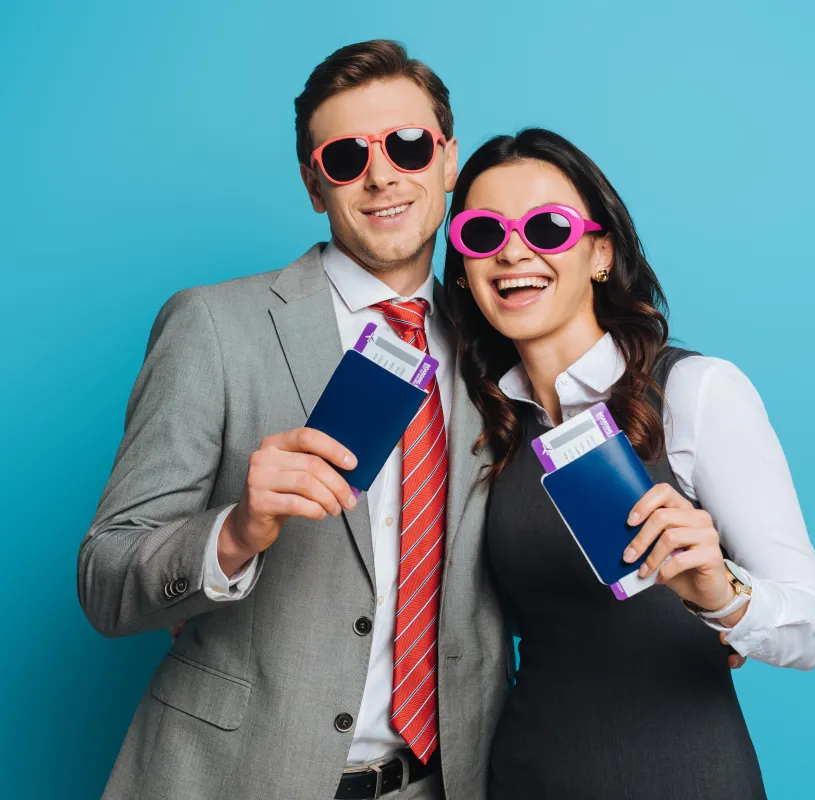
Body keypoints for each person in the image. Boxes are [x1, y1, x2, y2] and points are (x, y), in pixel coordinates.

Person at [77, 40, 510, 800]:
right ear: (315, 184)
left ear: (448, 161)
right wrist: (235, 533)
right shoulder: (214, 326)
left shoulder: (498, 351)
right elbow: (105, 580)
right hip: (238, 780)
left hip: (447, 783)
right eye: (346, 158)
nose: (381, 175)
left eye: (407, 146)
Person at [442, 128, 815, 799]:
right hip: (526, 775)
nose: (514, 250)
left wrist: (724, 595)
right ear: (464, 270)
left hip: (682, 774)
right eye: (483, 233)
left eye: (546, 227)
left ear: (601, 252)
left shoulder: (695, 391)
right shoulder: (485, 421)